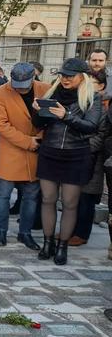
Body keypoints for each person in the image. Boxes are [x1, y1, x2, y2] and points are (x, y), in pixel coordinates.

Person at [31, 58, 101, 265]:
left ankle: (62, 247)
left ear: (82, 77)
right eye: (62, 75)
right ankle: (47, 243)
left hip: (76, 154)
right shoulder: (51, 94)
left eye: (70, 75)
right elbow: (37, 125)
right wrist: (37, 111)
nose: (65, 79)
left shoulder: (93, 98)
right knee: (47, 199)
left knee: (70, 203)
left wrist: (66, 115)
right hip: (49, 152)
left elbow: (91, 127)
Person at [0, 62, 50, 249]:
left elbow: (51, 119)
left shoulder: (45, 89)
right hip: (11, 150)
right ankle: (1, 231)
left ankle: (25, 233)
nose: (20, 90)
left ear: (33, 78)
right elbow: (1, 124)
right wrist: (27, 142)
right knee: (3, 195)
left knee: (31, 196)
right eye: (16, 85)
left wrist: (39, 140)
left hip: (36, 151)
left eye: (24, 86)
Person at [70, 69, 109, 246]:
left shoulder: (103, 106)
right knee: (74, 198)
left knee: (86, 198)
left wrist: (81, 147)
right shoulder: (81, 101)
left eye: (90, 83)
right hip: (76, 156)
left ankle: (82, 234)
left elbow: (101, 136)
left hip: (92, 159)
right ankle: (70, 230)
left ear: (101, 86)